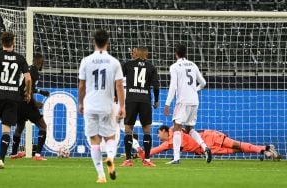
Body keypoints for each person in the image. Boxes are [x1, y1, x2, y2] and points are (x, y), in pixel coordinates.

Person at [78, 29, 125, 183]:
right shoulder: (114, 62)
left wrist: (80, 102)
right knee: (110, 137)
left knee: (94, 140)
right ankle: (110, 157)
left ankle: (101, 175)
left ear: (94, 42)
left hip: (90, 105)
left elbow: (81, 86)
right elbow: (119, 86)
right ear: (107, 43)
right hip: (107, 105)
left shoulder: (86, 61)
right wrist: (122, 106)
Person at [0, 32, 31, 169]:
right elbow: (28, 79)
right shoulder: (20, 58)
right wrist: (28, 93)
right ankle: (1, 159)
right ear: (13, 42)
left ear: (1, 42)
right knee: (6, 129)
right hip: (13, 96)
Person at [164, 43, 211, 164]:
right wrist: (196, 89)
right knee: (190, 128)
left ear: (176, 53)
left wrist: (167, 103)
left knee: (177, 127)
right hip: (195, 100)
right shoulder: (193, 65)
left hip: (183, 101)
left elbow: (173, 86)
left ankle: (176, 158)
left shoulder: (174, 67)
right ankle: (205, 147)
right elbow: (203, 82)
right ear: (185, 53)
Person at [136, 125, 281, 161]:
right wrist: (140, 154)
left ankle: (266, 150)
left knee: (237, 145)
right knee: (238, 150)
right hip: (206, 149)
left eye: (159, 133)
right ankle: (266, 149)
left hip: (210, 137)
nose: (158, 136)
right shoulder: (168, 144)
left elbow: (190, 128)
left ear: (164, 130)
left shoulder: (176, 129)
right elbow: (153, 151)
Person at [120, 47, 160, 167]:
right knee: (146, 130)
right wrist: (156, 100)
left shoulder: (127, 65)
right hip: (145, 101)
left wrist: (116, 95)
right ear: (146, 54)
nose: (132, 54)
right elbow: (156, 87)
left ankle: (128, 160)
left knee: (128, 129)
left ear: (137, 53)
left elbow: (117, 80)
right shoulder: (151, 67)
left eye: (133, 52)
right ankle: (147, 160)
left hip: (131, 100)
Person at [10, 53, 50, 161]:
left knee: (19, 127)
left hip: (18, 102)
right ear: (39, 62)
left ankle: (13, 154)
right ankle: (37, 155)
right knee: (43, 126)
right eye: (42, 63)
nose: (43, 65)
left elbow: (27, 87)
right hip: (26, 103)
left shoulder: (29, 70)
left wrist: (41, 91)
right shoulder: (34, 72)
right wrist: (35, 102)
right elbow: (28, 90)